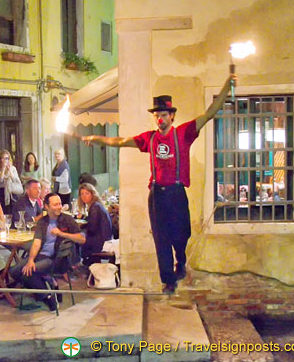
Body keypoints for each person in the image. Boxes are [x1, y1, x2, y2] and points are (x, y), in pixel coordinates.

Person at [81, 75, 236, 294]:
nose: (160, 119)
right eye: (157, 116)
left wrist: (226, 87)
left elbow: (210, 113)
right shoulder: (150, 138)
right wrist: (97, 139)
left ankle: (180, 262)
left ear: (172, 117)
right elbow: (122, 141)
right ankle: (168, 281)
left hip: (176, 191)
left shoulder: (184, 133)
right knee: (161, 238)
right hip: (156, 194)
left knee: (182, 234)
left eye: (163, 115)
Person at [9, 193, 85, 311]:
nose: (59, 207)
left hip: (57, 259)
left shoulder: (67, 220)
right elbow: (37, 243)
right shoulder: (43, 222)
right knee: (14, 272)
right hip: (42, 256)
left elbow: (82, 239)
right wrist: (30, 260)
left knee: (27, 273)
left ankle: (49, 297)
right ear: (46, 207)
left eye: (59, 204)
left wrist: (62, 233)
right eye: (55, 204)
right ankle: (48, 285)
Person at [77, 183, 113, 266]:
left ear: (92, 194)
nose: (84, 196)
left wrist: (83, 228)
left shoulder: (94, 207)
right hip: (105, 239)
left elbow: (92, 229)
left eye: (87, 193)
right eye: (82, 194)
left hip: (100, 242)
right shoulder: (97, 205)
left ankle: (79, 265)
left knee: (77, 240)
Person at [0, 149, 22, 214]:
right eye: (2, 158)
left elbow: (15, 179)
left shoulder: (13, 168)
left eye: (6, 158)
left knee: (13, 212)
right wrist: (3, 170)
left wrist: (10, 171)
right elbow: (0, 180)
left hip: (12, 193)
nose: (4, 160)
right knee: (3, 212)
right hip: (1, 193)